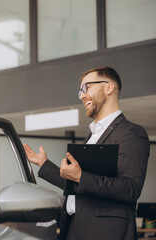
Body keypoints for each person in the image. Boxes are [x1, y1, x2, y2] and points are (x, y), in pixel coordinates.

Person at [23, 66, 150, 240]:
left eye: (86, 88)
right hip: (74, 229)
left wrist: (81, 177)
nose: (82, 95)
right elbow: (78, 186)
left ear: (108, 87)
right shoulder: (92, 135)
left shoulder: (131, 132)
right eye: (80, 91)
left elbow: (130, 188)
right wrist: (44, 164)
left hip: (105, 233)